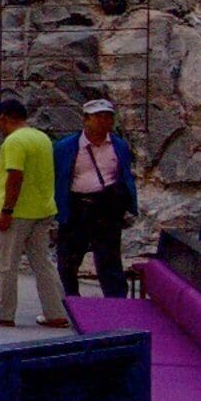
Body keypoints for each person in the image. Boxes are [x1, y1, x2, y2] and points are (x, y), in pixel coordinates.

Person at [0, 95, 65, 331]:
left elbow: (15, 176)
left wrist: (7, 211)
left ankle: (3, 312)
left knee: (5, 264)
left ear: (4, 118)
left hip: (18, 212)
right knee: (42, 262)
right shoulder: (40, 137)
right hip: (43, 209)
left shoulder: (13, 142)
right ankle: (56, 312)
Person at [56, 98, 136, 301]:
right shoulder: (65, 147)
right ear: (86, 119)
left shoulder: (118, 145)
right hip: (77, 205)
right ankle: (71, 298)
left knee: (109, 257)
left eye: (108, 117)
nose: (104, 121)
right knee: (69, 258)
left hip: (106, 207)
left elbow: (124, 173)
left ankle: (116, 302)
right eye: (98, 117)